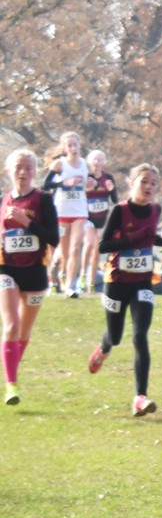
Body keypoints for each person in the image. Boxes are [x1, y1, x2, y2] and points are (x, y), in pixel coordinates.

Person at [88, 162, 162, 415]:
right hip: (116, 283)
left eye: (153, 183)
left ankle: (140, 397)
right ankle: (104, 348)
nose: (148, 187)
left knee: (140, 336)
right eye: (144, 181)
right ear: (132, 183)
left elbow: (151, 238)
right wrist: (129, 241)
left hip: (143, 284)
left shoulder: (156, 209)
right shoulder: (120, 210)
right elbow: (103, 246)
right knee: (115, 336)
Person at [1, 149, 58, 405]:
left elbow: (54, 238)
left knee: (23, 332)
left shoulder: (43, 200)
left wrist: (27, 222)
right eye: (18, 167)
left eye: (28, 168)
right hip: (6, 269)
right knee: (11, 325)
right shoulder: (1, 200)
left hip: (35, 273)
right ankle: (11, 386)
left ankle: (10, 369)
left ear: (35, 172)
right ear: (8, 171)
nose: (23, 173)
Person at [44, 131, 91, 296]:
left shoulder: (85, 164)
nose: (73, 148)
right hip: (62, 213)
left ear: (80, 145)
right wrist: (64, 184)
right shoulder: (60, 165)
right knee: (63, 253)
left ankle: (70, 286)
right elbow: (45, 185)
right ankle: (57, 271)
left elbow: (86, 185)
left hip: (79, 212)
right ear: (64, 148)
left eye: (75, 144)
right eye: (69, 145)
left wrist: (90, 184)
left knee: (75, 249)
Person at [81, 150, 116, 292]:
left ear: (104, 162)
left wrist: (111, 189)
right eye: (95, 159)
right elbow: (77, 196)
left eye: (100, 159)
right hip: (87, 218)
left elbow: (115, 200)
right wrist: (85, 188)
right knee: (89, 244)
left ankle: (91, 283)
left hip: (102, 219)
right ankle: (83, 274)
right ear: (90, 162)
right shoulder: (85, 177)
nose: (97, 162)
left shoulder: (108, 178)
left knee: (97, 250)